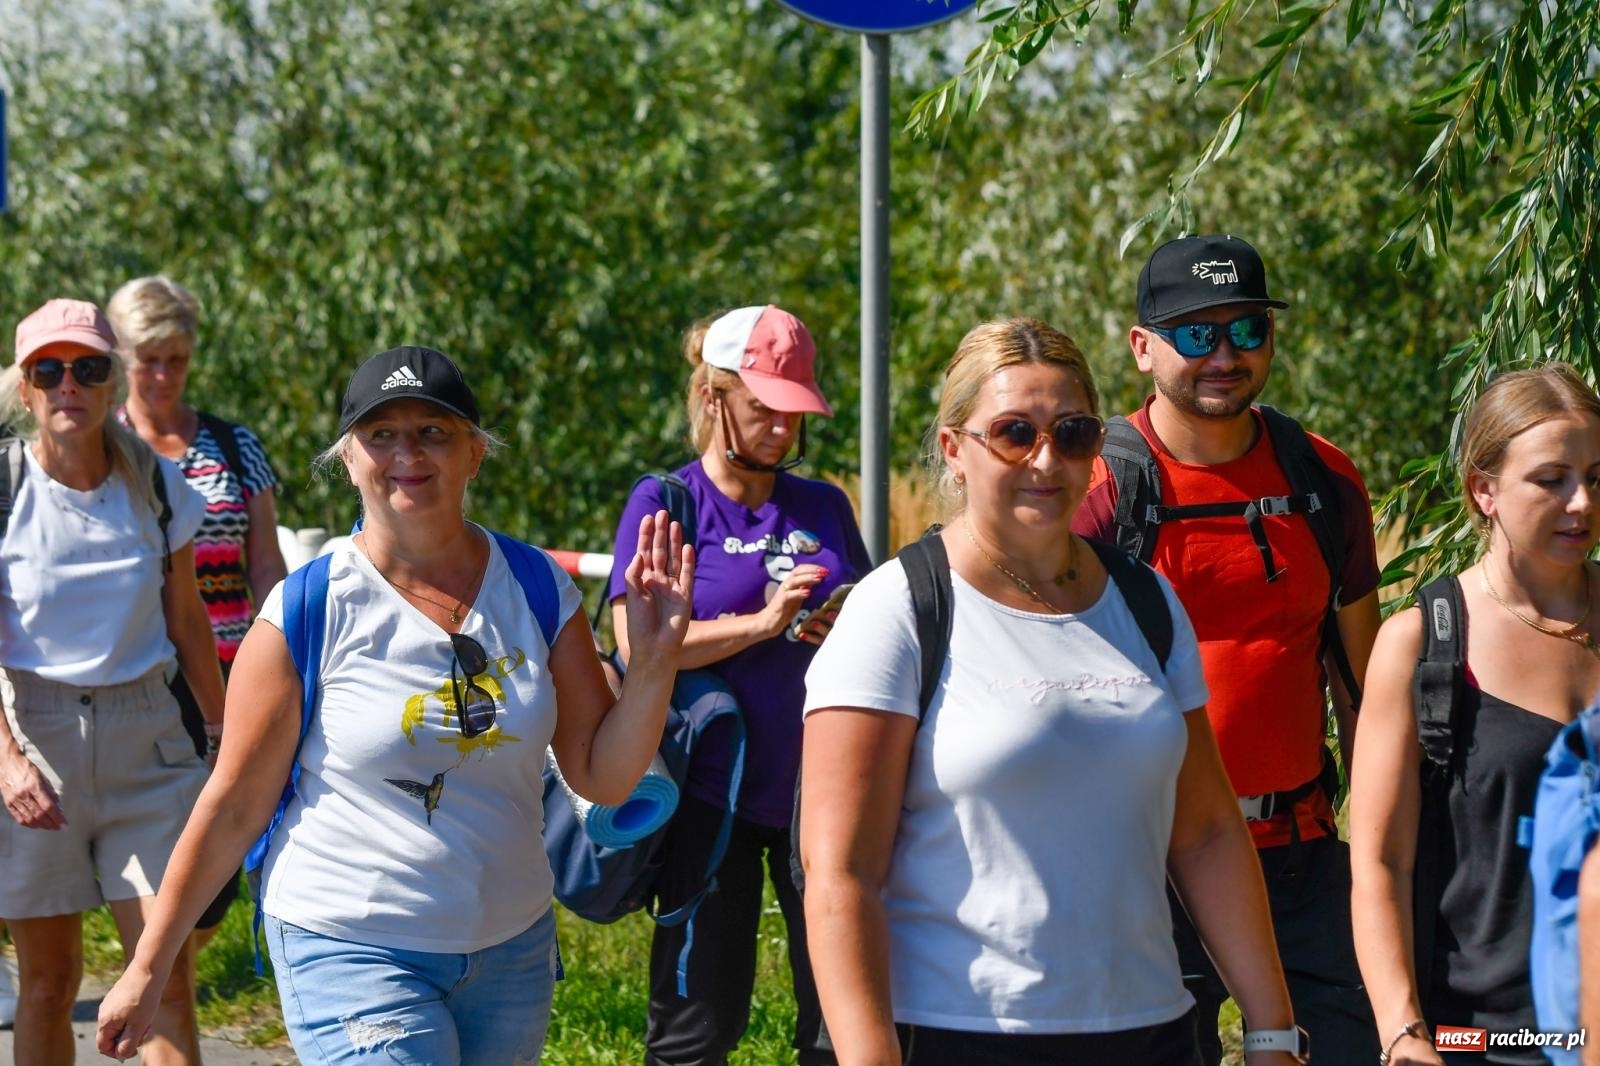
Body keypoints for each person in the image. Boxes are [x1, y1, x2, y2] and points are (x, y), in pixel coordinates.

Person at [95, 345, 693, 1064]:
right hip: (347, 941)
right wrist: (149, 966)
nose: (407, 453)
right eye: (381, 434)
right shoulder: (307, 609)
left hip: (511, 948)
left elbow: (603, 777)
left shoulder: (536, 586)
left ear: (474, 453)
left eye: (433, 431)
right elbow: (232, 805)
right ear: (348, 459)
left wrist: (654, 662)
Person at [800, 317, 1305, 1065]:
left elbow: (1206, 834)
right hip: (958, 1036)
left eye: (1072, 433)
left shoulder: (1145, 598)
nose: (1045, 459)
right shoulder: (899, 608)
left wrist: (1271, 1030)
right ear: (955, 449)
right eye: (1013, 433)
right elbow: (841, 874)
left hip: (1151, 1033)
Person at [1073, 233, 1383, 1065]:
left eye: (1247, 330)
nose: (1224, 356)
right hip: (1146, 863)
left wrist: (1383, 860)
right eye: (1196, 333)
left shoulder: (1323, 480)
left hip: (1302, 856)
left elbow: (1362, 689)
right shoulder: (1097, 491)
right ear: (1142, 348)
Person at [608, 305, 869, 1066]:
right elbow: (638, 649)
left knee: (841, 1027)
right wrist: (763, 623)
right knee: (695, 1033)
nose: (783, 430)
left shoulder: (824, 505)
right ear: (712, 396)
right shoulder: (667, 503)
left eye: (795, 412)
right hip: (707, 799)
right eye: (764, 409)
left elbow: (871, 627)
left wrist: (845, 620)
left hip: (820, 796)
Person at [1350, 364, 1600, 1064]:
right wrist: (1402, 1030)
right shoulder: (1422, 644)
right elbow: (1380, 861)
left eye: (1596, 477)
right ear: (1482, 490)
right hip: (1482, 1038)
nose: (1582, 502)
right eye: (1551, 480)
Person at [0, 299, 221, 1065]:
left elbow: (187, 619)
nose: (69, 385)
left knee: (165, 981)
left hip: (148, 745)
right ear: (26, 389)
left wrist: (225, 737)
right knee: (49, 985)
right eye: (49, 371)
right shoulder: (5, 487)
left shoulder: (155, 483)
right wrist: (7, 760)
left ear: (111, 382)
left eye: (88, 368)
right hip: (38, 743)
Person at [107, 274, 289, 948]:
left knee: (217, 868)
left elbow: (264, 561)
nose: (162, 376)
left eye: (176, 359)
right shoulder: (99, 446)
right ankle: (157, 976)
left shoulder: (234, 446)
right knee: (154, 846)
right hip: (139, 678)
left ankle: (165, 969)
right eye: (148, 359)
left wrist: (288, 647)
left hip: (233, 673)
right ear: (122, 358)